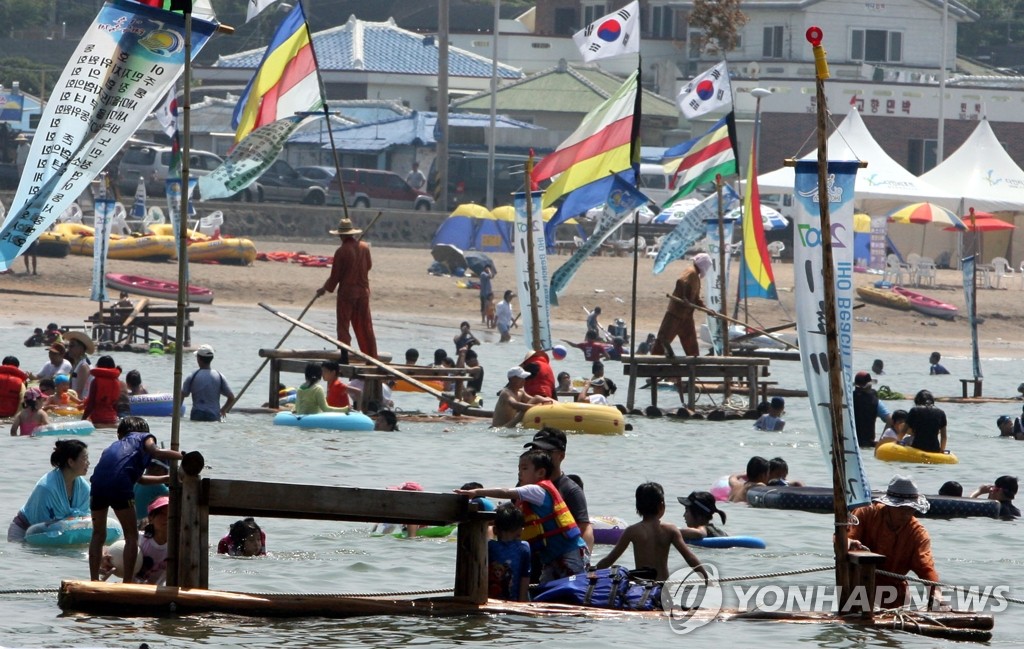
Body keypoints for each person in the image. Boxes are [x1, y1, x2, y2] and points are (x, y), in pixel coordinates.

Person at [455, 449, 588, 584]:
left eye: (524, 468)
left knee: (574, 589)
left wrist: (476, 492)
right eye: (519, 468)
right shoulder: (528, 499)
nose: (519, 472)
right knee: (545, 591)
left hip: (570, 553)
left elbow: (506, 491)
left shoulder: (537, 490)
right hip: (551, 558)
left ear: (540, 473)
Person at [88, 416, 182, 582]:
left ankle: (94, 579)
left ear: (120, 434)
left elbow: (140, 479)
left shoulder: (113, 447)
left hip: (97, 485)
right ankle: (128, 582)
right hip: (120, 484)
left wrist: (166, 478)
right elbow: (156, 452)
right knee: (131, 536)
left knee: (98, 534)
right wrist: (183, 457)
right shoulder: (145, 437)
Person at [847, 475, 942, 609]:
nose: (907, 514)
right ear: (889, 506)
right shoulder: (866, 513)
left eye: (911, 509)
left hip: (896, 595)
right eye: (902, 509)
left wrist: (936, 592)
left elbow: (925, 567)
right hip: (859, 587)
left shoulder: (918, 534)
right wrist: (849, 543)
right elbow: (844, 539)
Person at [594, 482, 708, 583]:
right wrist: (706, 577)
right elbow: (690, 557)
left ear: (638, 507)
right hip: (662, 587)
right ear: (661, 505)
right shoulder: (670, 530)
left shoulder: (632, 531)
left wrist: (589, 573)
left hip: (641, 587)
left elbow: (609, 559)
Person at [523, 428, 594, 552]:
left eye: (546, 452)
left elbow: (585, 529)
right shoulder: (523, 485)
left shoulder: (571, 490)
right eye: (534, 451)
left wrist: (581, 563)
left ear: (561, 456)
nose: (540, 456)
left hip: (558, 557)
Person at [316, 218, 378, 359]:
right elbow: (368, 266)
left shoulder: (342, 251)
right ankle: (371, 357)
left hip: (347, 294)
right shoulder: (364, 247)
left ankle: (344, 356)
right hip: (363, 292)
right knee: (365, 325)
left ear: (341, 235)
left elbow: (335, 276)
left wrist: (324, 289)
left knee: (343, 326)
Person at [8, 439, 90, 541]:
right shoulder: (46, 487)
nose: (88, 463)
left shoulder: (84, 488)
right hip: (24, 530)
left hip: (59, 531)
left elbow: (85, 518)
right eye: (85, 458)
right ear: (71, 462)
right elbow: (42, 528)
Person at [652, 253, 712, 357]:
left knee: (692, 347)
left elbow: (696, 298)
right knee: (662, 341)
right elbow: (681, 282)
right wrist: (684, 298)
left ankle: (693, 366)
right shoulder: (691, 272)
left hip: (686, 317)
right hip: (675, 315)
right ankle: (652, 364)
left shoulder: (696, 277)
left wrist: (706, 309)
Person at [488, 502, 531, 601]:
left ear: (495, 530)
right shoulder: (524, 547)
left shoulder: (489, 546)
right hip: (515, 600)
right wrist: (522, 602)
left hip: (491, 600)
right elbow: (525, 577)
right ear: (520, 530)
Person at [181, 344, 234, 422]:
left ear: (198, 359)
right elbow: (231, 397)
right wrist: (223, 410)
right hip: (213, 415)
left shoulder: (192, 375)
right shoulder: (219, 376)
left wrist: (178, 412)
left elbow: (182, 395)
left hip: (197, 414)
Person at [134, 496, 169, 584]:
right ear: (151, 518)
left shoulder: (179, 546)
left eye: (170, 514)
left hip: (156, 594)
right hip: (132, 590)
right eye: (162, 514)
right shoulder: (139, 540)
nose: (167, 518)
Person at [852, 371, 891, 448]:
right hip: (867, 444)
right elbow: (890, 420)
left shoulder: (847, 399)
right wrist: (881, 441)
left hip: (849, 443)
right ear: (869, 386)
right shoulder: (875, 402)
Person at [82, 355, 122, 427]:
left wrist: (82, 420)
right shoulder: (117, 382)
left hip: (97, 420)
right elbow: (116, 405)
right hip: (113, 420)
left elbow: (90, 404)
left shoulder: (95, 381)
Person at [905, 389, 947, 453]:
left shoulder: (914, 410)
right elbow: (944, 436)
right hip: (934, 449)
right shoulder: (941, 413)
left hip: (917, 447)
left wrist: (897, 441)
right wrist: (942, 449)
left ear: (917, 401)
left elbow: (904, 430)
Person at [133, 459, 169, 527]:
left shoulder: (138, 480)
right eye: (165, 471)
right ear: (158, 469)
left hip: (135, 521)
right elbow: (174, 495)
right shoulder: (157, 484)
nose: (166, 474)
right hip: (146, 522)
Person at [64, 331, 95, 400]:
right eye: (68, 346)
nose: (69, 349)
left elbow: (79, 392)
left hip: (81, 402)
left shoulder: (83, 366)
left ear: (81, 348)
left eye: (72, 346)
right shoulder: (77, 364)